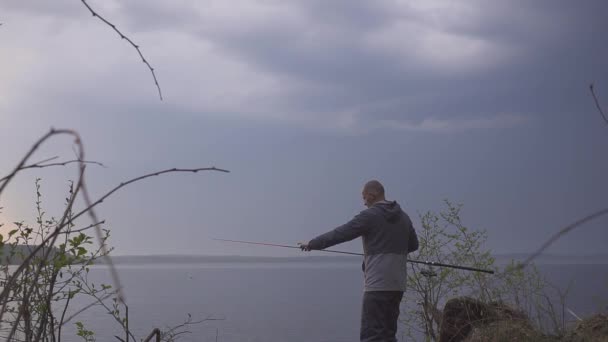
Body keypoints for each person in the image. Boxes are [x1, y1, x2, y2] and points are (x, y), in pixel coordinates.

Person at [299, 180, 419, 342]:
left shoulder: (370, 216)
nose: (364, 203)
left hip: (377, 284)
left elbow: (341, 233)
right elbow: (413, 245)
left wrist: (312, 244)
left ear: (372, 194)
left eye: (364, 198)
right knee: (388, 335)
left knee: (372, 336)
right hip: (397, 284)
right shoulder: (404, 217)